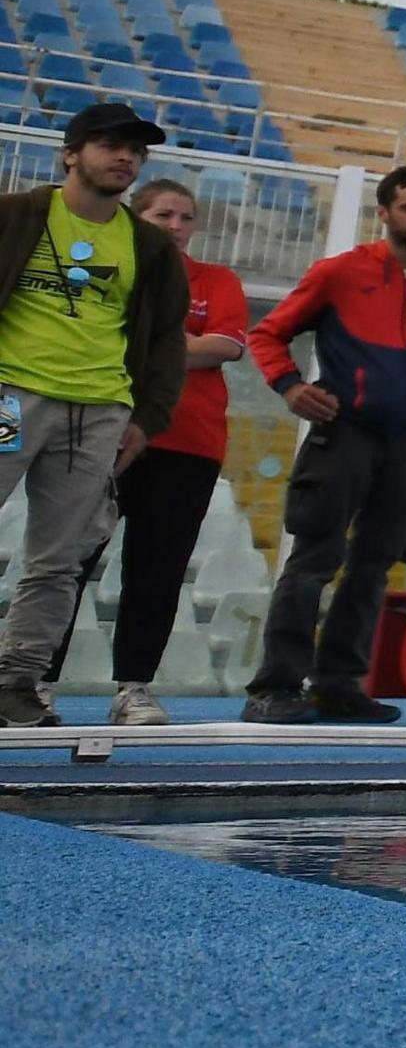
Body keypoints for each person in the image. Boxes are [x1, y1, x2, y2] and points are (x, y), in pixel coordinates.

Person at [241, 165, 406, 726]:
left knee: (374, 565)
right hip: (344, 431)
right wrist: (289, 386)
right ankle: (274, 686)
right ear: (384, 212)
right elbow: (267, 333)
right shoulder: (338, 273)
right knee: (315, 558)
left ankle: (338, 685)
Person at [0, 102, 194, 727]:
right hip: (8, 397)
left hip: (99, 412)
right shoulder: (17, 215)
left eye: (136, 150)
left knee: (59, 559)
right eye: (111, 144)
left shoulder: (149, 247)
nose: (125, 157)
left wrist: (147, 416)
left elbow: (167, 339)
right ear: (70, 153)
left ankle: (16, 682)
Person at [80, 179, 249, 727]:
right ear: (135, 217)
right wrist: (182, 345)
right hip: (103, 434)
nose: (175, 226)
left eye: (185, 217)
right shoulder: (113, 272)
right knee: (67, 562)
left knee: (156, 569)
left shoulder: (216, 279)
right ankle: (28, 681)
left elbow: (226, 345)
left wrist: (145, 344)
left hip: (188, 444)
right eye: (162, 216)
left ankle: (134, 687)